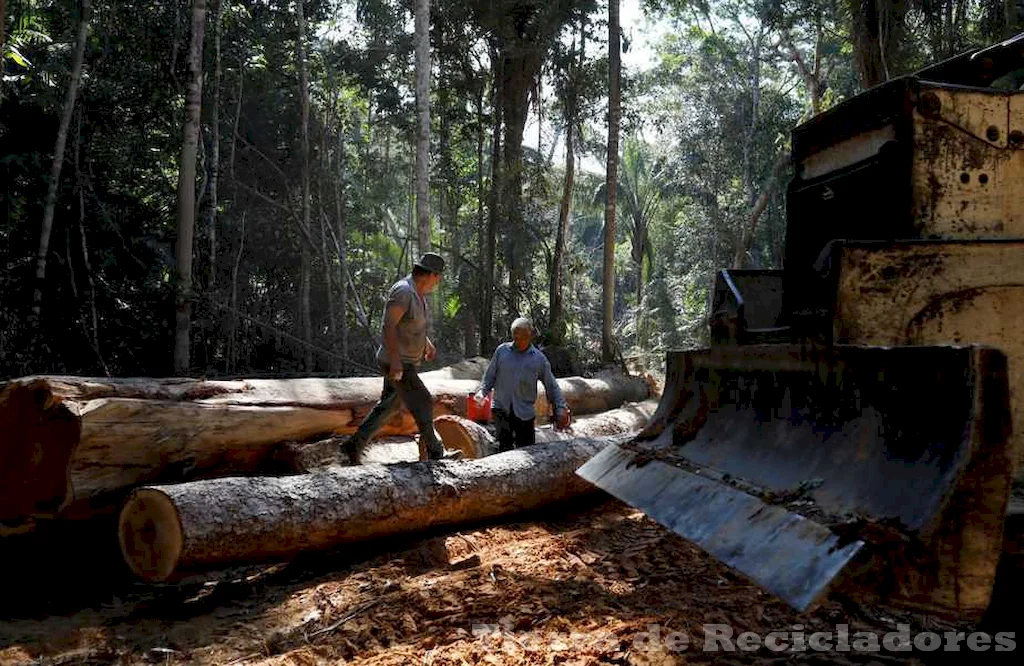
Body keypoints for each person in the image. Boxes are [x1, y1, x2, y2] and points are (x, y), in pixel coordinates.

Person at [343, 253, 458, 463]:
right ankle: (436, 452)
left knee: (388, 405)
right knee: (422, 400)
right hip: (398, 362)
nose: (438, 281)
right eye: (438, 276)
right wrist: (396, 361)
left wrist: (427, 343)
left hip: (404, 361)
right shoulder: (403, 291)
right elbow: (388, 326)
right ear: (431, 274)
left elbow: (411, 325)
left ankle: (352, 446)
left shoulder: (418, 293)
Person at [474, 317, 571, 452]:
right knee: (504, 450)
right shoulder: (502, 351)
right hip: (501, 409)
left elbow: (552, 386)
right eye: (515, 337)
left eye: (522, 338)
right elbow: (490, 376)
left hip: (524, 413)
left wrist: (560, 408)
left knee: (526, 452)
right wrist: (482, 392)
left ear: (530, 336)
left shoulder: (538, 359)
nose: (518, 341)